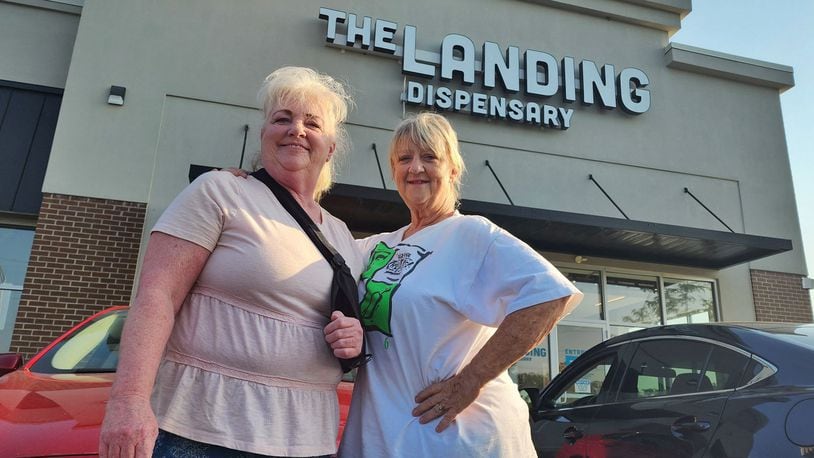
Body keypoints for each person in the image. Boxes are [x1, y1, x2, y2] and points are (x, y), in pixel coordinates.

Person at [98, 66, 366, 457]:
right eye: (282, 118)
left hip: (306, 439)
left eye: (312, 122)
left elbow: (341, 320)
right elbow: (157, 295)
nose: (296, 129)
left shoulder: (343, 236)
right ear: (263, 134)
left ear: (331, 148)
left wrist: (353, 337)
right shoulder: (220, 191)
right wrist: (129, 400)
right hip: (201, 431)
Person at [338, 113, 583, 457]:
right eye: (405, 158)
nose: (416, 168)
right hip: (385, 437)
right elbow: (307, 247)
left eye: (429, 157)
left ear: (453, 169)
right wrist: (255, 185)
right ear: (393, 170)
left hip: (459, 440)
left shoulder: (471, 234)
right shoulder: (377, 246)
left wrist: (469, 381)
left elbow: (548, 297)